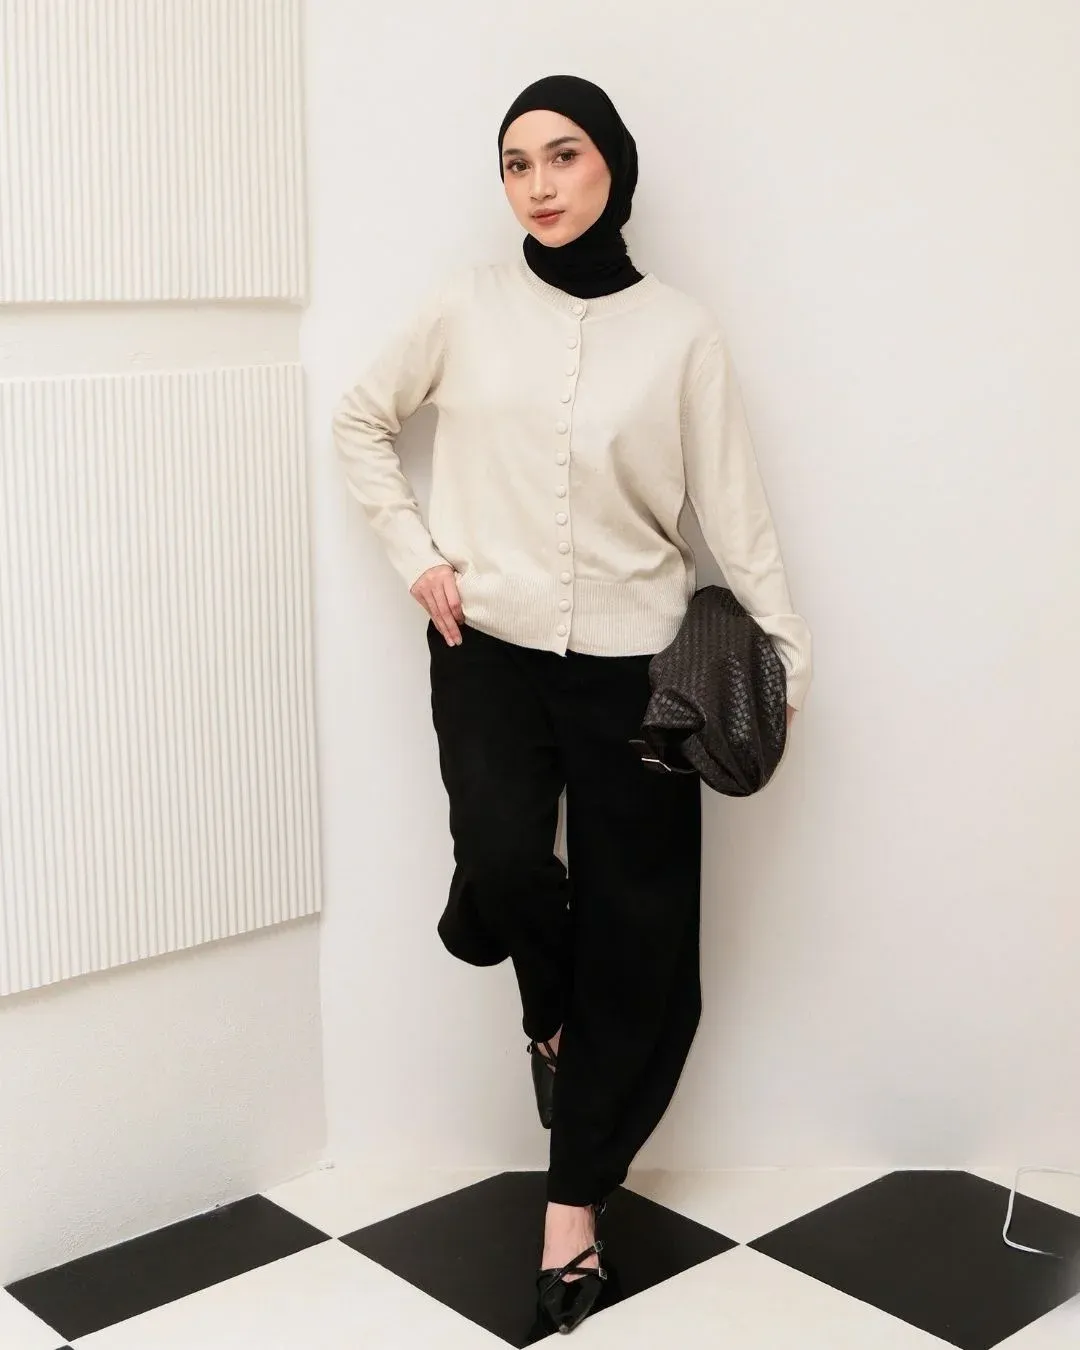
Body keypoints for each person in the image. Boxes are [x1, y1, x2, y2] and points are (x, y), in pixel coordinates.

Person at [332, 73, 813, 1336]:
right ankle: (550, 1015)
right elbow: (361, 419)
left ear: (614, 166)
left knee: (640, 941)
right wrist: (416, 556)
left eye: (564, 156)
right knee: (498, 864)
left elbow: (735, 513)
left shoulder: (682, 335)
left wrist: (783, 665)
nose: (538, 186)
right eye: (516, 164)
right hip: (484, 648)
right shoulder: (466, 306)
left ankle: (573, 1209)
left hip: (636, 672)